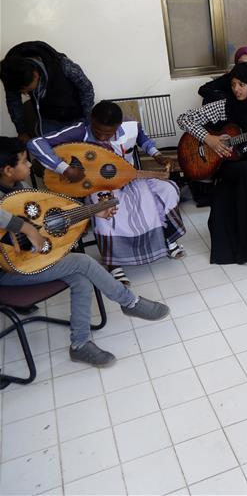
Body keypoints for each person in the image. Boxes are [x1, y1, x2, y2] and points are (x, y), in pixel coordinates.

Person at [0, 137, 170, 367]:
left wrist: (93, 212)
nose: (30, 166)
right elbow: (25, 226)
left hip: (27, 260)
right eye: (23, 162)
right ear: (8, 170)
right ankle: (130, 303)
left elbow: (48, 223)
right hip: (8, 273)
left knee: (80, 279)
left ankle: (79, 345)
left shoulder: (16, 191)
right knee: (82, 262)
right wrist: (28, 229)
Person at [28, 101, 185, 286]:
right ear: (91, 120)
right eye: (98, 130)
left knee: (166, 189)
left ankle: (167, 239)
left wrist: (158, 155)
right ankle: (113, 262)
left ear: (117, 126)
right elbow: (35, 143)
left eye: (108, 133)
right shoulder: (80, 130)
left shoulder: (129, 127)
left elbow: (143, 139)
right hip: (98, 184)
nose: (102, 136)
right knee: (102, 206)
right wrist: (64, 169)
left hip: (128, 176)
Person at [178, 62, 247, 265]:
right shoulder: (224, 106)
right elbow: (184, 119)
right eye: (233, 85)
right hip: (232, 164)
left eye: (242, 85)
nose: (236, 89)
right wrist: (208, 138)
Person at [1, 41, 95, 140]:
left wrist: (87, 118)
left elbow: (86, 89)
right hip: (48, 120)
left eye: (25, 89)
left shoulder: (62, 65)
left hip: (76, 116)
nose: (24, 93)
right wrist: (22, 131)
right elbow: (14, 104)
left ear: (36, 75)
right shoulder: (10, 74)